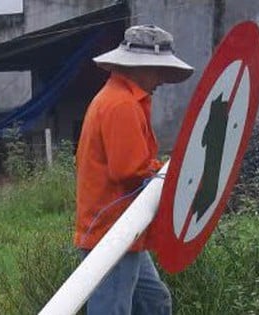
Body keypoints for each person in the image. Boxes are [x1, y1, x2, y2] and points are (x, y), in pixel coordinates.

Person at [74, 25, 194, 314]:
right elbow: (129, 171)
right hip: (112, 232)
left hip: (124, 228)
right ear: (139, 67)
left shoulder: (120, 99)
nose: (162, 80)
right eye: (157, 70)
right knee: (111, 309)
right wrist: (172, 174)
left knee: (155, 302)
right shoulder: (121, 105)